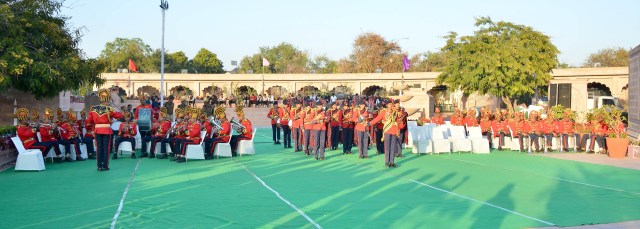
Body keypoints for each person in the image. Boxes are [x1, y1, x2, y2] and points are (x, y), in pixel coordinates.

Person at [87, 89, 123, 171]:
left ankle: (99, 166)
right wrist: (122, 112)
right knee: (106, 148)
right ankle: (105, 165)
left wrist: (91, 128)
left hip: (97, 130)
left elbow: (89, 121)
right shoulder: (109, 109)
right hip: (106, 130)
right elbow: (118, 116)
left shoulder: (93, 108)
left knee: (99, 148)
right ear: (106, 100)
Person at [369, 100, 403, 168]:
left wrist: (398, 130)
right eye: (389, 104)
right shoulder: (383, 112)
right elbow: (377, 119)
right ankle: (387, 162)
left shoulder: (395, 112)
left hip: (393, 131)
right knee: (387, 147)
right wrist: (369, 123)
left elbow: (397, 122)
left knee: (393, 147)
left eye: (391, 104)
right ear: (387, 105)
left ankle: (392, 162)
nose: (391, 105)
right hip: (387, 130)